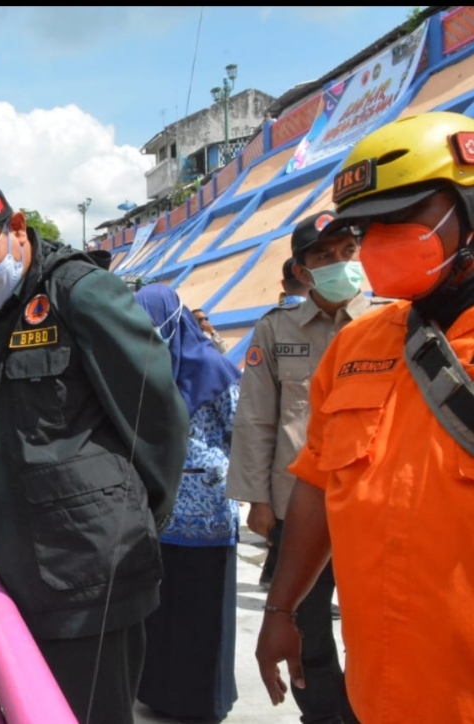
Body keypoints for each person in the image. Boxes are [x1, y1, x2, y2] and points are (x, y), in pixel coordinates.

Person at [0, 176, 189, 723]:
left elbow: (156, 416)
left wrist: (137, 520)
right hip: (17, 564)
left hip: (91, 574)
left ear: (16, 227)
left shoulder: (79, 294)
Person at [255, 111, 474, 724]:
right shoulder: (357, 346)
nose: (377, 242)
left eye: (402, 217)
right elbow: (320, 485)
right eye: (366, 229)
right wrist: (282, 611)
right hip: (378, 691)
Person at [229, 209, 372, 724]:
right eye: (323, 257)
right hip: (297, 509)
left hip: (370, 511)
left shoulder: (391, 323)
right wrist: (257, 502)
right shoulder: (276, 330)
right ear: (303, 270)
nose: (339, 264)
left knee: (372, 626)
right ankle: (324, 715)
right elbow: (255, 422)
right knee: (305, 628)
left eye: (346, 253)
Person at [133, 284, 242, 722]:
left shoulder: (217, 370)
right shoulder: (146, 370)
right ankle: (160, 692)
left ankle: (203, 700)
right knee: (165, 610)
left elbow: (242, 432)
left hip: (210, 516)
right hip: (161, 513)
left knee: (205, 610)